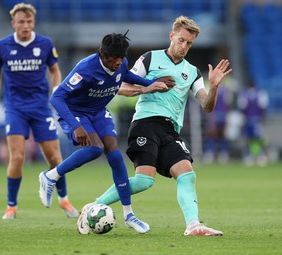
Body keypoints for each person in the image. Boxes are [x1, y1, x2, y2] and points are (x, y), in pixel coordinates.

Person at [77, 16, 232, 236]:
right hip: (145, 124)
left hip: (170, 130)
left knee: (187, 174)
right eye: (181, 40)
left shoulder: (192, 72)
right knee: (144, 181)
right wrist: (149, 88)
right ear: (172, 36)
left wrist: (214, 87)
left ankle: (193, 225)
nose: (184, 46)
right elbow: (119, 86)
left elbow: (207, 105)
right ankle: (93, 206)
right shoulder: (150, 59)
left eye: (189, 43)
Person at [38, 31, 175, 234]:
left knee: (115, 155)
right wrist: (76, 126)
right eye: (114, 58)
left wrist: (151, 82)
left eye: (122, 57)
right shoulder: (85, 69)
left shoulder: (121, 62)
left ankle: (129, 215)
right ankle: (50, 176)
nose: (119, 62)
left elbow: (126, 76)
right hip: (76, 112)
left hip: (98, 112)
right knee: (95, 149)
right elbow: (57, 98)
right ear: (103, 54)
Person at [0, 3, 78, 220]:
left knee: (54, 158)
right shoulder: (2, 46)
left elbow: (55, 71)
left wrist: (57, 91)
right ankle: (11, 206)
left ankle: (64, 200)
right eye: (21, 22)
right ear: (14, 23)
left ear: (33, 22)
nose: (25, 25)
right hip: (15, 109)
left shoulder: (45, 44)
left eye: (29, 22)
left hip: (40, 108)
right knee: (17, 157)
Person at [237, 80, 269, 166]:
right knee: (259, 138)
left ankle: (249, 155)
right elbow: (263, 107)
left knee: (248, 138)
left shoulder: (244, 95)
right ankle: (262, 155)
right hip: (257, 119)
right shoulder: (261, 93)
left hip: (247, 119)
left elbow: (242, 107)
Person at [203, 82, 233, 164]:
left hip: (219, 114)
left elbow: (228, 105)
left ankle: (222, 153)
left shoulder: (225, 90)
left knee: (221, 134)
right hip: (215, 114)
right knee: (213, 134)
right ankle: (212, 153)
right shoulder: (222, 90)